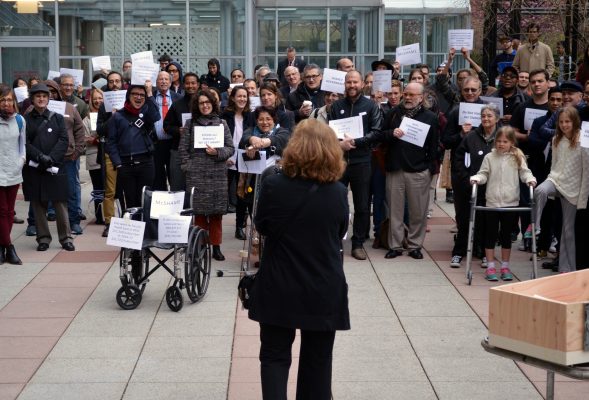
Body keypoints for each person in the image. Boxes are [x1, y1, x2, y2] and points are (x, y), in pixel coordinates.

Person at [248, 119, 350, 400]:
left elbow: (264, 226)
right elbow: (340, 231)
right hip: (322, 284)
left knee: (274, 356)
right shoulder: (338, 192)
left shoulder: (273, 185)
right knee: (318, 361)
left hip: (280, 281)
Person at [328, 70, 383, 260]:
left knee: (362, 205)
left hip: (362, 162)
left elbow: (376, 132)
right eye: (348, 82)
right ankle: (335, 241)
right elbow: (330, 132)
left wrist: (356, 143)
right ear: (344, 84)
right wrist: (339, 144)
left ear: (362, 84)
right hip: (340, 162)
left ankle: (358, 243)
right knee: (336, 203)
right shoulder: (336, 106)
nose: (352, 85)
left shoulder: (371, 106)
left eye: (355, 82)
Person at [381, 82, 439, 259]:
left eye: (412, 95)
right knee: (394, 211)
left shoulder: (430, 117)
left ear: (421, 98)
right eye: (405, 94)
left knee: (418, 211)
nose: (407, 97)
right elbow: (381, 136)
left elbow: (435, 146)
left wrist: (429, 169)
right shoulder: (393, 113)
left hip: (418, 170)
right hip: (396, 169)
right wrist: (392, 133)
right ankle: (395, 245)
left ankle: (415, 245)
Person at [470, 127, 536, 281]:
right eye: (498, 141)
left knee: (506, 235)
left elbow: (524, 172)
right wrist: (477, 179)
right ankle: (491, 266)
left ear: (512, 142)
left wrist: (530, 179)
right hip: (492, 202)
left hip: (510, 202)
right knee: (490, 234)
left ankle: (505, 265)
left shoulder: (517, 155)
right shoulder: (489, 157)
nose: (501, 144)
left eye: (505, 141)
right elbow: (484, 173)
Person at [179, 89, 234, 261]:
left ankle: (216, 246)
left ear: (213, 103)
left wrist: (217, 152)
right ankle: (200, 245)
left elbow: (230, 148)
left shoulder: (222, 123)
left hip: (217, 174)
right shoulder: (190, 124)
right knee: (200, 213)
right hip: (196, 174)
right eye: (201, 103)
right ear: (197, 105)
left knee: (216, 214)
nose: (205, 105)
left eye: (207, 102)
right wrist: (188, 166)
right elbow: (183, 149)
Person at [534, 107, 589, 273]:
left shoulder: (583, 142)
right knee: (540, 191)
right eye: (561, 122)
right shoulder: (556, 139)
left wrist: (583, 199)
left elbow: (586, 172)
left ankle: (568, 268)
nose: (564, 125)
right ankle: (536, 226)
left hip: (573, 190)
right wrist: (551, 181)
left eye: (568, 122)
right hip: (555, 180)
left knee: (568, 231)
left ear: (575, 122)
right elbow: (554, 165)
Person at [23, 83, 74, 252]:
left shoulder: (57, 117)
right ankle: (43, 238)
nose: (41, 99)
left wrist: (51, 158)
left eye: (44, 96)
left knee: (60, 204)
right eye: (38, 96)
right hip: (35, 167)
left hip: (55, 166)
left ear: (49, 98)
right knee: (38, 205)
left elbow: (63, 140)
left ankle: (66, 238)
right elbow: (25, 143)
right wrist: (39, 156)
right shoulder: (26, 119)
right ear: (32, 99)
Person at [448, 102, 500, 268]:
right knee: (464, 219)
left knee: (487, 221)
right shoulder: (471, 136)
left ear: (497, 118)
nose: (485, 119)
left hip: (492, 187)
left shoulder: (502, 136)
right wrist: (464, 178)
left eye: (489, 116)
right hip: (470, 186)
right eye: (483, 116)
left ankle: (485, 252)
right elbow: (458, 157)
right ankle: (458, 252)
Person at [106, 82, 160, 209]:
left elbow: (156, 116)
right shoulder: (118, 116)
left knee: (145, 200)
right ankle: (134, 227)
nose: (139, 97)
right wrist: (117, 163)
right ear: (128, 96)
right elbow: (111, 142)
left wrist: (150, 94)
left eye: (142, 95)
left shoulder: (147, 112)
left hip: (146, 163)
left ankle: (146, 228)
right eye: (135, 94)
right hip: (125, 165)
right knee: (131, 201)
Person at [221, 86, 254, 240]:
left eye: (245, 96)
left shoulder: (251, 116)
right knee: (222, 192)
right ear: (233, 98)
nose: (242, 99)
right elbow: (219, 137)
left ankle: (239, 226)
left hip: (244, 159)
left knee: (242, 194)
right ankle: (216, 227)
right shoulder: (224, 115)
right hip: (227, 158)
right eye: (239, 96)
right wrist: (224, 155)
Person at [97, 71, 125, 237]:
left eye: (117, 81)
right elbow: (99, 130)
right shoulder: (103, 105)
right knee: (110, 190)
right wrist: (112, 116)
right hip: (110, 150)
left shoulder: (129, 103)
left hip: (128, 151)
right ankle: (109, 222)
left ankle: (128, 220)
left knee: (127, 188)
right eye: (111, 82)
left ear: (122, 83)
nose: (115, 84)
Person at [0, 84, 25, 264]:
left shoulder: (19, 120)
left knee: (9, 212)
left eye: (9, 100)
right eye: (2, 100)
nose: (7, 103)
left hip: (14, 170)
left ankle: (2, 247)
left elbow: (22, 145)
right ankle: (9, 247)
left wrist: (21, 161)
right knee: (2, 211)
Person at [163, 72, 200, 191]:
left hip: (199, 152)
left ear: (198, 85)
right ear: (184, 85)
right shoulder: (177, 105)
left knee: (197, 186)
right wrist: (178, 130)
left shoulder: (204, 104)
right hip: (178, 150)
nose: (190, 86)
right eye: (188, 83)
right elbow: (166, 126)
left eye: (193, 83)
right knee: (178, 186)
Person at [153, 71, 181, 190]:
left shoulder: (178, 98)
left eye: (166, 79)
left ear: (170, 82)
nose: (163, 81)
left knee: (174, 176)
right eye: (160, 79)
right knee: (158, 178)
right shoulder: (150, 97)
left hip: (173, 143)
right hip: (156, 143)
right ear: (156, 82)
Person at [82, 88, 105, 224]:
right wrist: (97, 139)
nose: (97, 101)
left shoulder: (110, 115)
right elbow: (86, 139)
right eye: (95, 98)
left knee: (108, 187)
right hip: (93, 156)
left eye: (100, 98)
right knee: (97, 188)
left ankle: (109, 213)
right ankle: (99, 216)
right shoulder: (87, 119)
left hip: (108, 156)